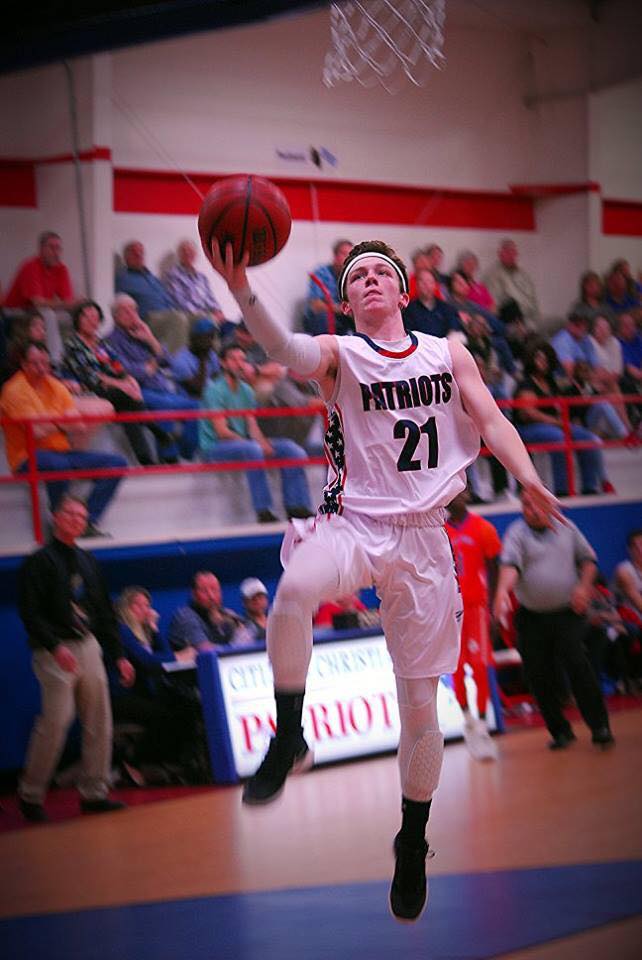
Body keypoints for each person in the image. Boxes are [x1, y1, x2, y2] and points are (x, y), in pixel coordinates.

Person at [208, 236, 561, 924]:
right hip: (354, 523)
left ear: (404, 293)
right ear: (345, 301)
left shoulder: (447, 352)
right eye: (357, 276)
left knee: (421, 712)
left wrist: (531, 480)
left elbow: (490, 420)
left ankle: (413, 837)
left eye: (381, 273)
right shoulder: (340, 354)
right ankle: (289, 736)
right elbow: (282, 349)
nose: (370, 280)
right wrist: (243, 288)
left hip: (427, 539)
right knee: (293, 591)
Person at [16, 495, 135, 822]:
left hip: (88, 645)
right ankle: (30, 794)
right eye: (69, 513)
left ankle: (94, 792)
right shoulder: (39, 561)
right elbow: (30, 612)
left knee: (100, 720)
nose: (76, 519)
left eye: (82, 515)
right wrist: (55, 646)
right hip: (54, 651)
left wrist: (119, 656)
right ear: (56, 517)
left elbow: (104, 612)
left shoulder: (88, 561)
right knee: (56, 721)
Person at [494, 488, 615, 751]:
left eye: (536, 504)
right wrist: (503, 591)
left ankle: (600, 727)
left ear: (549, 505)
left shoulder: (567, 528)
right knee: (538, 675)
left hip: (567, 613)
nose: (532, 510)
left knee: (578, 666)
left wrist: (584, 587)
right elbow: (510, 566)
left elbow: (588, 561)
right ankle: (560, 731)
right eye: (526, 505)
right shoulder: (517, 533)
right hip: (531, 617)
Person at [0, 341, 127, 537]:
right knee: (59, 466)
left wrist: (51, 422)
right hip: (26, 456)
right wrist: (60, 422)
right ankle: (60, 521)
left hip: (62, 452)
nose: (41, 368)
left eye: (45, 363)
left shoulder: (56, 386)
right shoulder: (14, 390)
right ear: (24, 365)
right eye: (35, 363)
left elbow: (77, 424)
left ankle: (85, 522)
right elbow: (36, 432)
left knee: (117, 463)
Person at [199, 343, 313, 524]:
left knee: (292, 450)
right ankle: (264, 511)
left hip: (243, 443)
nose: (239, 364)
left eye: (242, 360)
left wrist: (262, 442)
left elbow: (252, 425)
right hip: (214, 447)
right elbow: (221, 432)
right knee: (253, 450)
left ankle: (296, 507)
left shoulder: (246, 391)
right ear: (222, 363)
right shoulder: (214, 390)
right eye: (233, 359)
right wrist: (255, 445)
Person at [61, 299, 174, 465]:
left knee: (128, 412)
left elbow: (117, 366)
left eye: (95, 317)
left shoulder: (101, 343)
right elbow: (89, 375)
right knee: (125, 396)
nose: (92, 321)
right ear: (78, 320)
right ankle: (156, 430)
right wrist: (121, 384)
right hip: (87, 391)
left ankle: (146, 461)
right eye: (87, 317)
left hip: (112, 390)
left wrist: (129, 380)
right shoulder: (73, 344)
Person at [111, 586, 198, 783]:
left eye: (147, 605)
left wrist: (155, 629)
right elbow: (147, 661)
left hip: (143, 694)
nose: (144, 609)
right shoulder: (122, 630)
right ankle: (133, 759)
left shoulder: (142, 632)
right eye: (138, 605)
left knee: (187, 707)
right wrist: (179, 655)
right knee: (165, 715)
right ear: (125, 607)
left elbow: (163, 656)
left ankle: (166, 760)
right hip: (122, 696)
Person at [106, 294, 200, 461]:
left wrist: (150, 339)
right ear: (115, 317)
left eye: (133, 310)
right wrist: (151, 365)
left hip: (162, 388)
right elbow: (129, 371)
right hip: (139, 391)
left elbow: (167, 362)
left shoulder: (142, 334)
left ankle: (185, 452)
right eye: (125, 311)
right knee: (164, 407)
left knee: (200, 406)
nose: (131, 314)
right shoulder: (110, 341)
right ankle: (169, 458)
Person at [445, 488, 501, 761]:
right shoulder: (438, 531)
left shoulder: (484, 529)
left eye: (462, 493)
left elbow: (495, 568)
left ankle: (482, 725)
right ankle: (467, 719)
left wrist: (494, 608)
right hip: (449, 610)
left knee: (479, 665)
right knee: (455, 667)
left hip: (477, 607)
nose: (458, 497)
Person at [512, 340, 608, 497]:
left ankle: (590, 487)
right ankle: (562, 489)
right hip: (528, 428)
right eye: (538, 358)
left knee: (587, 437)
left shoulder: (552, 383)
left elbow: (560, 407)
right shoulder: (526, 384)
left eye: (545, 359)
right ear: (531, 360)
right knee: (558, 438)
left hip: (555, 424)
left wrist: (563, 422)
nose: (542, 362)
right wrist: (558, 423)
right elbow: (529, 413)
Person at [4, 231, 79, 362]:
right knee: (47, 314)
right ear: (41, 249)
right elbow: (37, 302)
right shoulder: (30, 266)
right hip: (15, 311)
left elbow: (67, 301)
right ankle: (56, 361)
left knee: (75, 314)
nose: (56, 252)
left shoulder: (61, 268)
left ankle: (76, 357)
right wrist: (65, 304)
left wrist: (77, 306)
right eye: (52, 247)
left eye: (58, 248)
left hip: (38, 310)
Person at [115, 241, 189, 352]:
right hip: (148, 318)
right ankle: (172, 364)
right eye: (134, 253)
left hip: (167, 314)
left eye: (141, 252)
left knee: (203, 319)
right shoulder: (123, 279)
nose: (139, 255)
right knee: (177, 319)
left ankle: (217, 364)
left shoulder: (153, 278)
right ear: (126, 257)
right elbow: (121, 306)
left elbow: (168, 299)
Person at [168, 570, 246, 653]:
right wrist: (236, 646)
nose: (211, 596)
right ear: (194, 594)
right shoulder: (184, 616)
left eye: (215, 590)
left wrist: (237, 629)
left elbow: (250, 641)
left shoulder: (227, 614)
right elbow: (206, 651)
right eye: (204, 591)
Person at [163, 238, 228, 327]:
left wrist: (218, 311)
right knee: (210, 324)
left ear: (195, 255)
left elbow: (210, 297)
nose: (188, 254)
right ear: (180, 255)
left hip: (207, 314)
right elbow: (179, 302)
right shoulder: (174, 275)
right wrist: (207, 315)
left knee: (232, 326)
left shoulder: (202, 277)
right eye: (184, 251)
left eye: (191, 251)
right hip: (189, 315)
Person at [483, 239, 540, 331]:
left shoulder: (522, 274)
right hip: (511, 321)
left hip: (530, 318)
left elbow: (532, 298)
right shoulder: (493, 275)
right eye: (508, 252)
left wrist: (536, 319)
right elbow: (494, 305)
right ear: (500, 254)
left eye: (514, 253)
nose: (512, 256)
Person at [303, 239, 353, 336]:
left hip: (342, 317)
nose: (348, 258)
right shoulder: (321, 273)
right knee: (323, 318)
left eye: (351, 255)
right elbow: (316, 305)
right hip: (321, 318)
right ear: (335, 256)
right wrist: (341, 309)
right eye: (344, 254)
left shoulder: (352, 276)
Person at [169, 316, 221, 398]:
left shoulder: (211, 353)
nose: (210, 342)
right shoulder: (180, 360)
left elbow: (217, 379)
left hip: (209, 398)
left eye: (212, 337)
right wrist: (202, 359)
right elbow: (198, 390)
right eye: (206, 337)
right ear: (194, 339)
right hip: (187, 402)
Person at [402, 267, 461, 338]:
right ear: (417, 285)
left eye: (430, 282)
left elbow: (454, 330)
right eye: (422, 282)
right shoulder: (408, 309)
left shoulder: (447, 309)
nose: (426, 285)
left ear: (435, 285)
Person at [237, 577, 270, 644]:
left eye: (260, 596)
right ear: (245, 602)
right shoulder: (243, 626)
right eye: (253, 598)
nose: (258, 601)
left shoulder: (275, 619)